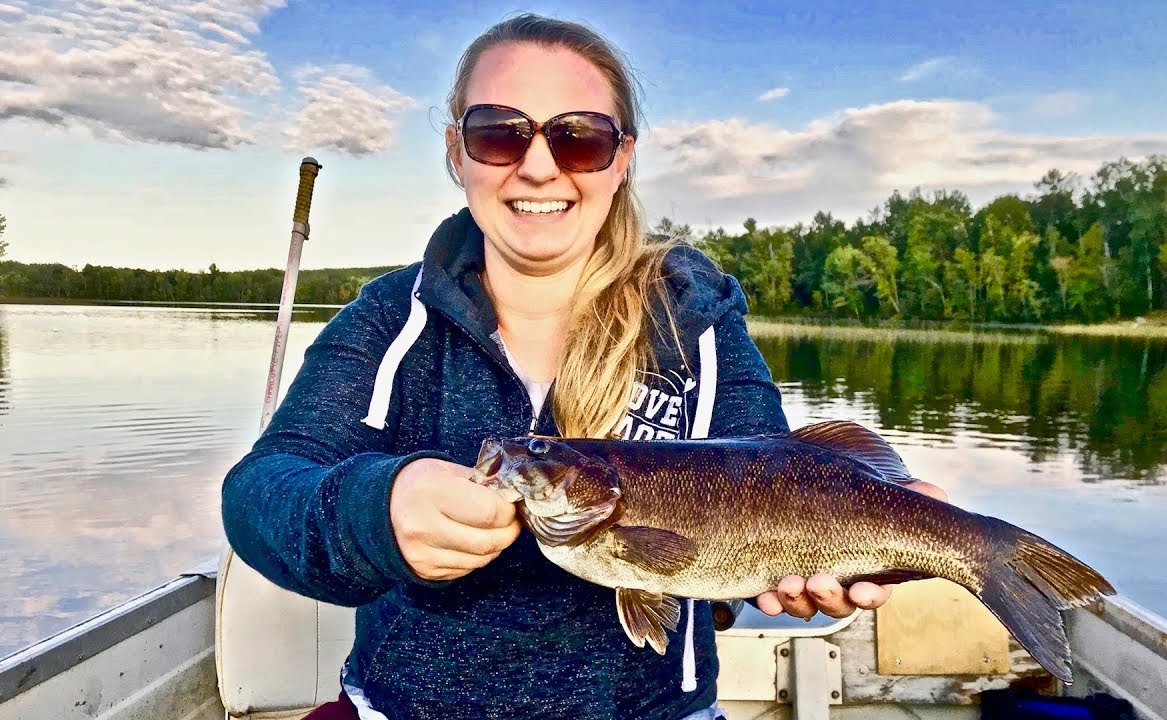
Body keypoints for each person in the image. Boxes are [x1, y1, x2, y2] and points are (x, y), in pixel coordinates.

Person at [221, 13, 944, 720]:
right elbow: (259, 492)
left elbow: (775, 469)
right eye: (499, 133)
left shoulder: (695, 318)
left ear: (621, 159)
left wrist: (816, 562)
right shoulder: (391, 320)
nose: (538, 165)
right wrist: (376, 509)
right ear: (456, 151)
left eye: (578, 139)